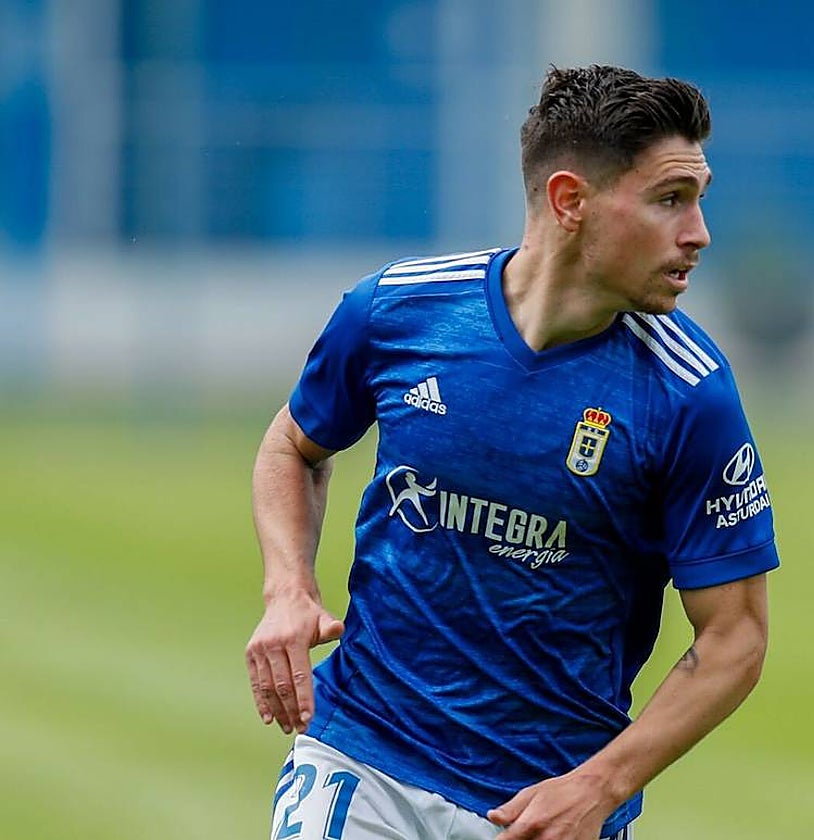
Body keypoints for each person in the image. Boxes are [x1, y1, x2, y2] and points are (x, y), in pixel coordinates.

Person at [246, 64, 779, 840]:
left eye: (698, 198)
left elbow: (735, 637)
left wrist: (600, 786)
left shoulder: (689, 394)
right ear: (570, 202)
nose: (698, 232)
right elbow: (293, 446)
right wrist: (287, 588)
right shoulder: (398, 311)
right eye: (670, 199)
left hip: (544, 808)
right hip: (363, 762)